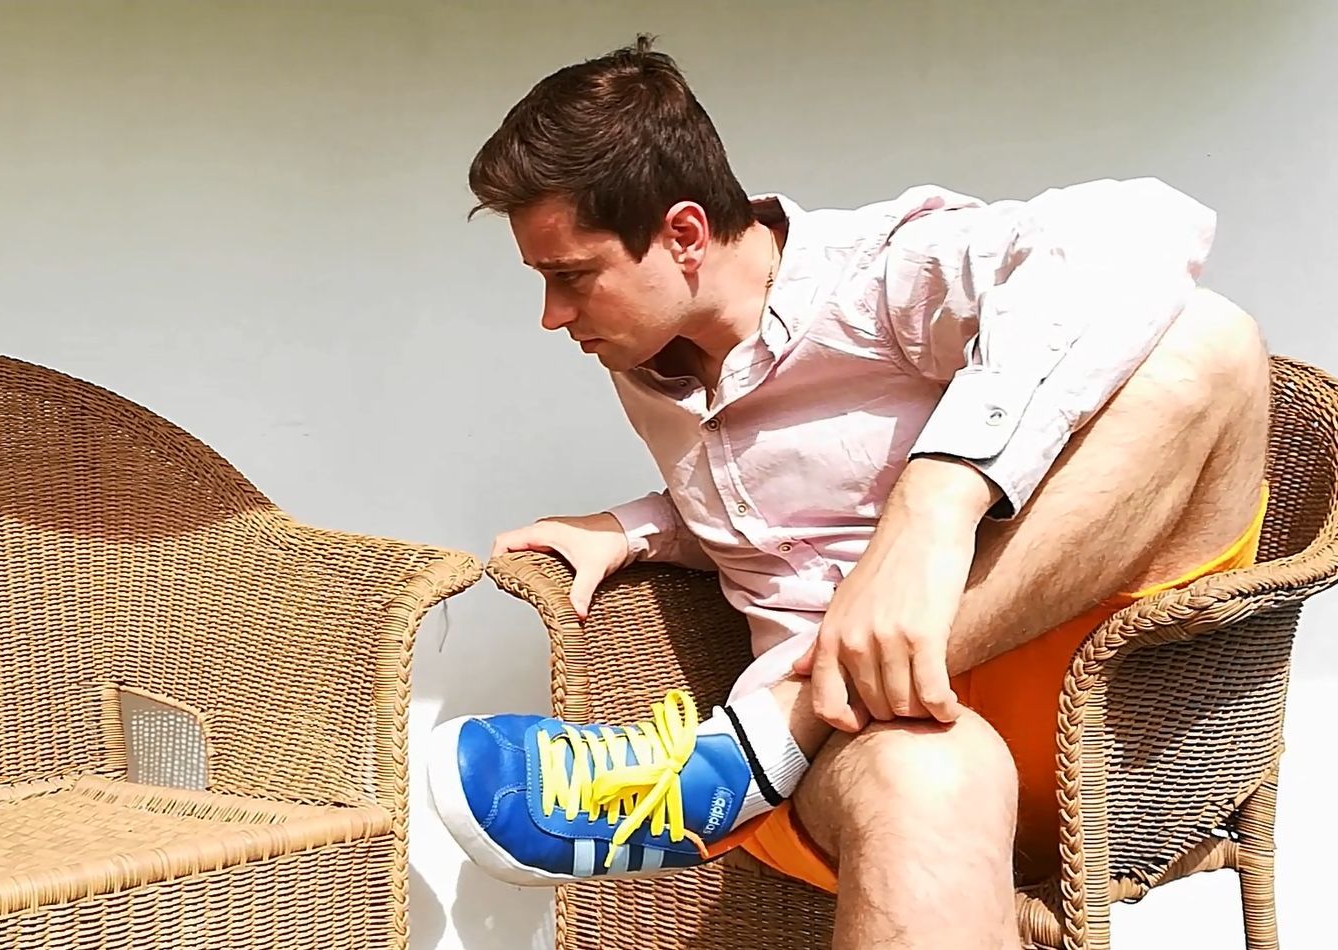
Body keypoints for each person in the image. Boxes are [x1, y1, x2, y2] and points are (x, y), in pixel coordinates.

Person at [425, 35, 1269, 950]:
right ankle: (767, 739)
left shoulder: (878, 279)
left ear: (684, 236)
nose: (552, 315)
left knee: (1208, 341)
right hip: (869, 747)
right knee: (929, 781)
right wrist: (636, 528)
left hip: (1097, 706)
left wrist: (934, 501)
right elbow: (798, 501)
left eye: (570, 277)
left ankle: (754, 743)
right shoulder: (647, 365)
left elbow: (1145, 227)